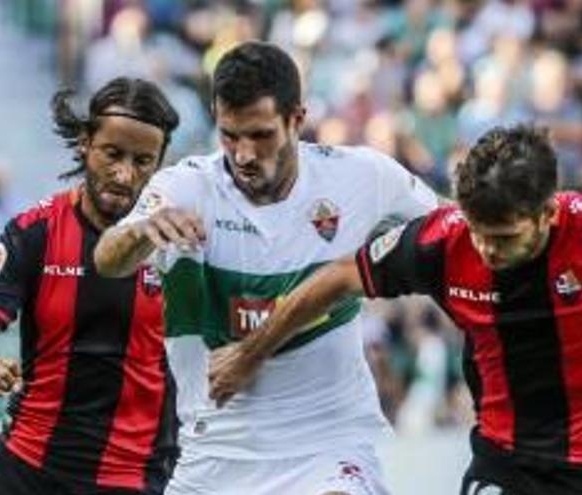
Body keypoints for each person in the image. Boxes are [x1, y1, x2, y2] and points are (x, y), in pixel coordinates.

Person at [209, 125, 582, 495]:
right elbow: (340, 277)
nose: (486, 249)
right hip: (507, 463)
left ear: (548, 212)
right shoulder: (442, 241)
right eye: (477, 231)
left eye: (503, 237)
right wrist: (251, 353)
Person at [94, 41, 439, 495]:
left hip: (328, 445)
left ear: (297, 119)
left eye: (260, 135)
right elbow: (107, 259)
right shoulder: (187, 187)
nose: (243, 155)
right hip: (215, 452)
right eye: (230, 135)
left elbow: (452, 232)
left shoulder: (362, 177)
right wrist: (142, 231)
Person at [0, 77, 180, 495]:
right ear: (85, 143)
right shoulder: (35, 232)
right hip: (26, 470)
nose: (124, 174)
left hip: (131, 478)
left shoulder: (182, 242)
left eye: (143, 161)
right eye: (112, 154)